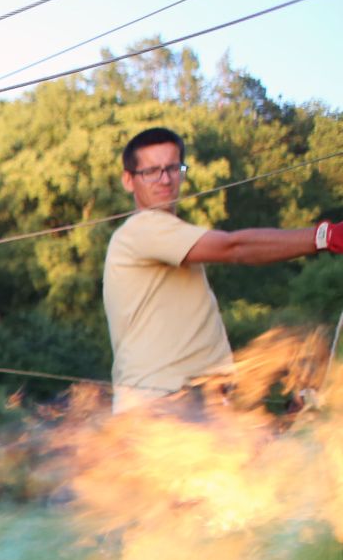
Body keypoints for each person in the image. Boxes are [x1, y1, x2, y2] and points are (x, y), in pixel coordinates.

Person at [102, 126, 341, 413]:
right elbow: (234, 248)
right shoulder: (143, 228)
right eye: (151, 171)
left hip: (193, 404)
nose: (165, 179)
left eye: (173, 168)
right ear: (129, 180)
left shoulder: (168, 236)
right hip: (165, 408)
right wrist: (325, 236)